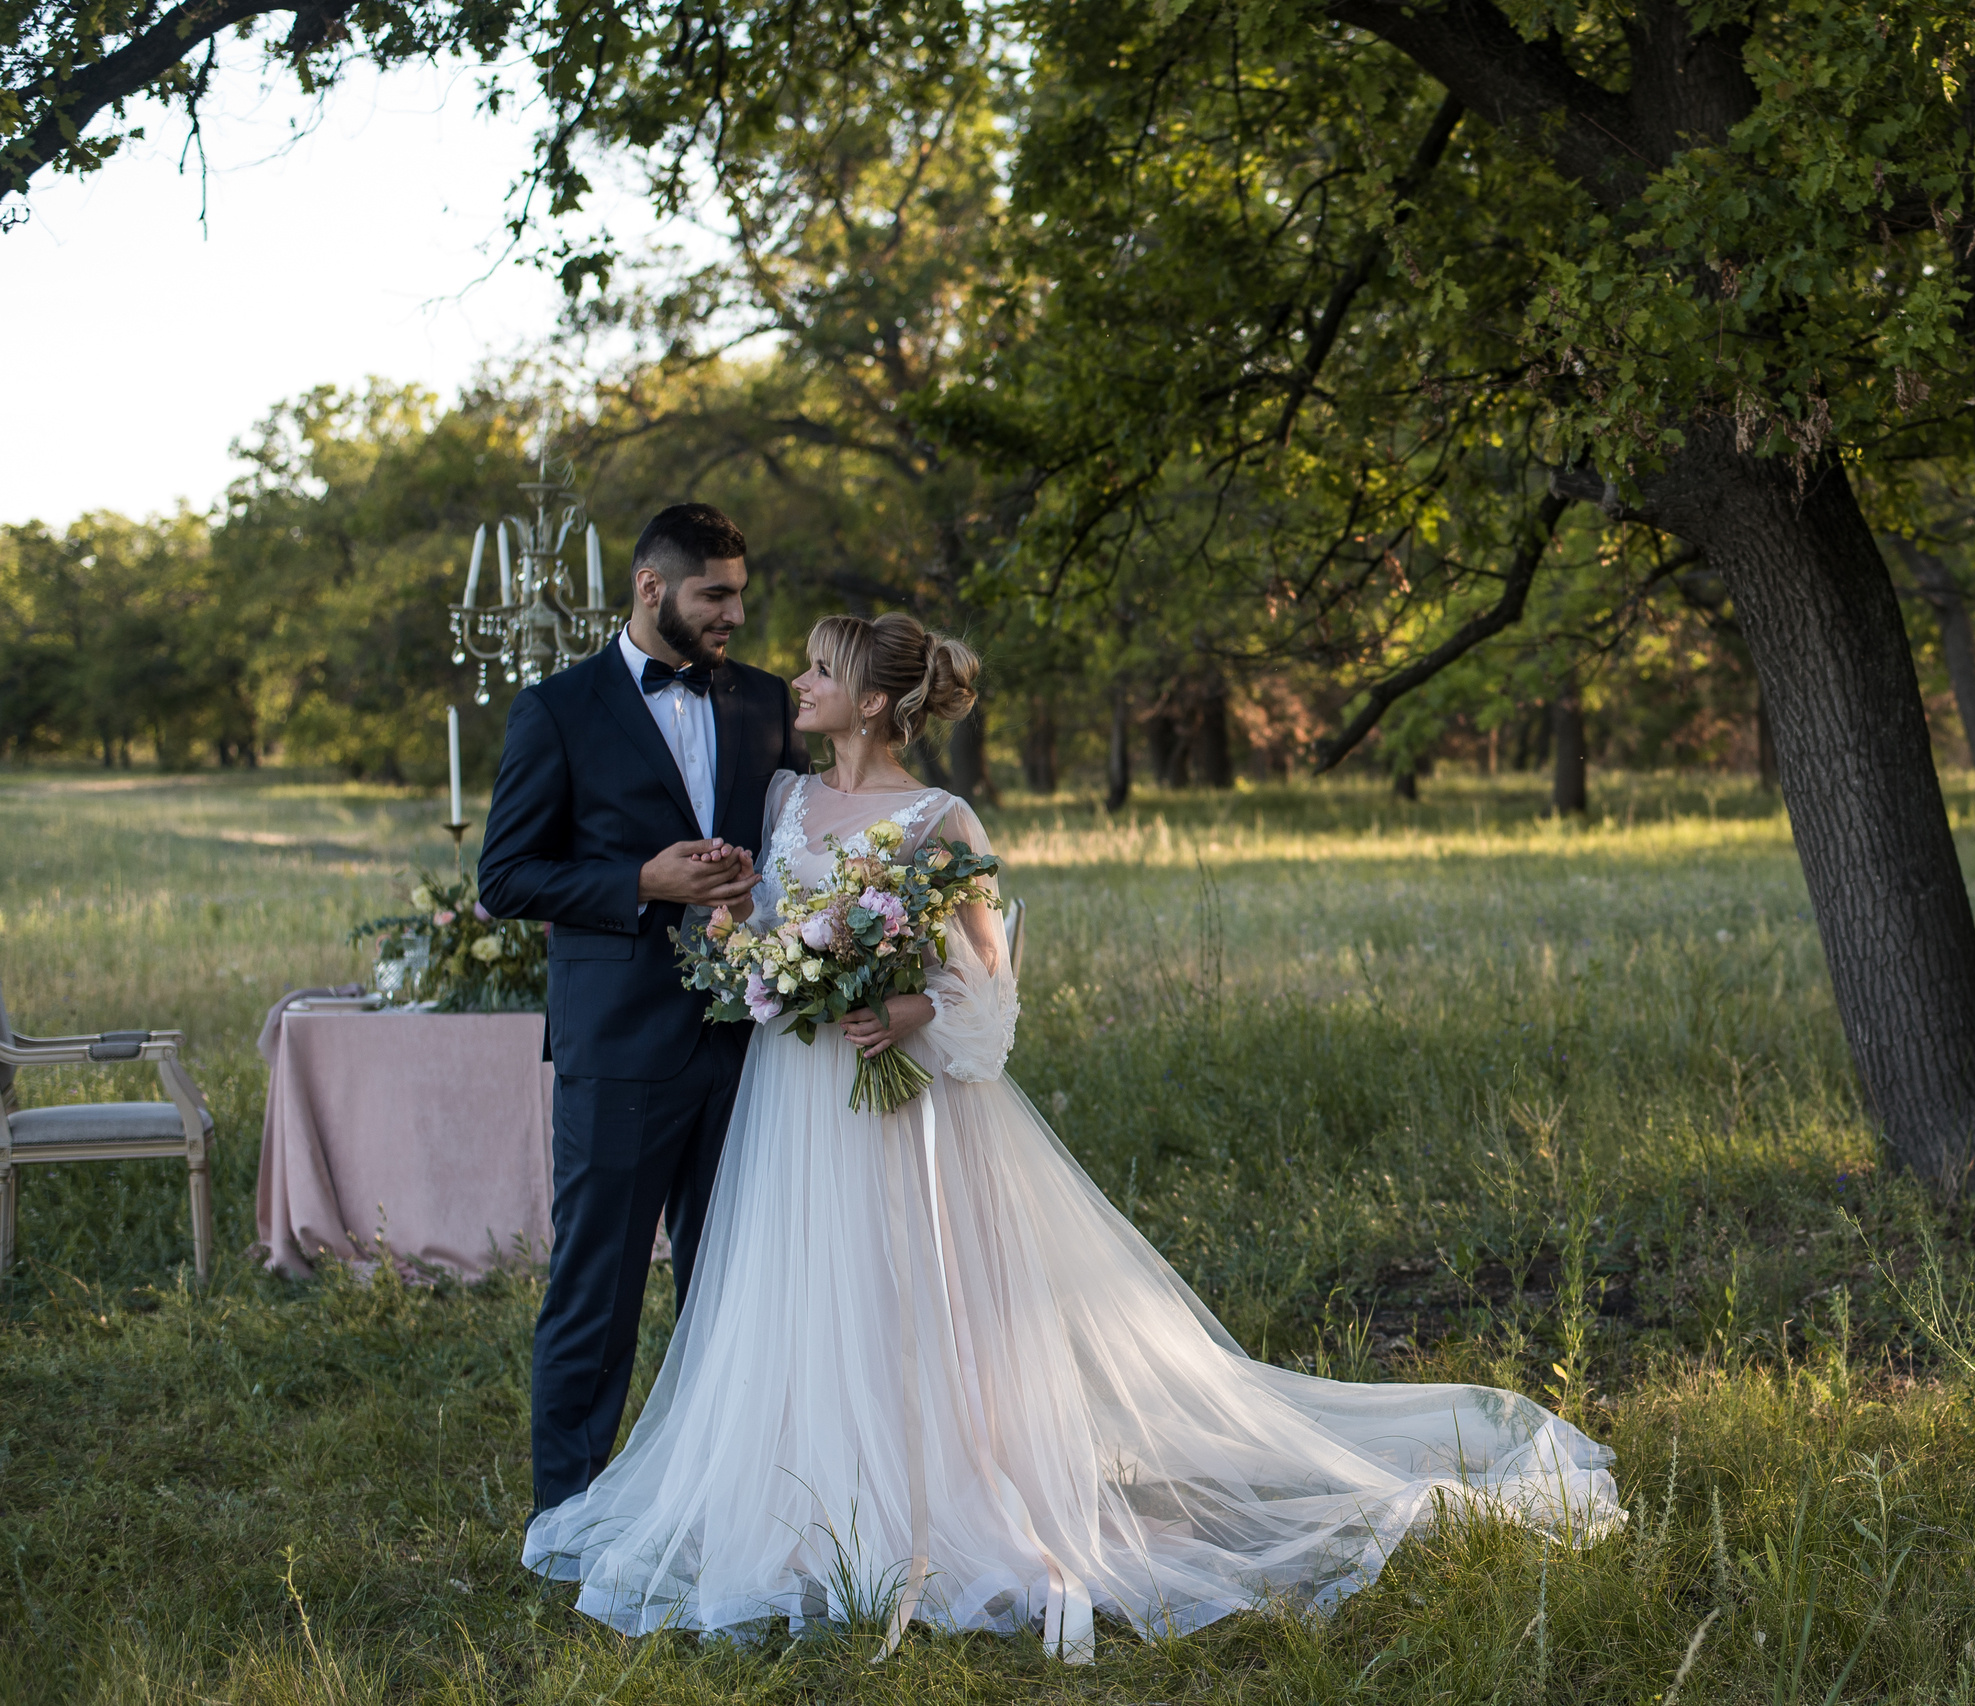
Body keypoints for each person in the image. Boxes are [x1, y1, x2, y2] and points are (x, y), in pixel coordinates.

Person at [522, 611, 1620, 1660]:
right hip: (793, 1093)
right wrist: (760, 957)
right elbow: (759, 921)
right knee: (808, 1288)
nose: (792, 684)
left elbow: (989, 988)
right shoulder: (787, 800)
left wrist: (902, 1009)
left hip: (898, 1100)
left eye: (815, 671)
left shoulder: (942, 820)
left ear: (866, 700)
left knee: (909, 1287)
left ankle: (935, 1497)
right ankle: (807, 1499)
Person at [479, 502, 808, 1520]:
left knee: (735, 1284)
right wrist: (640, 880)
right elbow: (507, 873)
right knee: (598, 1289)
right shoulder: (558, 708)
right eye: (716, 594)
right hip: (619, 1042)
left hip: (751, 1037)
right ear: (652, 587)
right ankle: (567, 1515)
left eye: (741, 594)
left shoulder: (763, 701)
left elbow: (798, 837)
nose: (734, 615)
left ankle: (730, 1500)